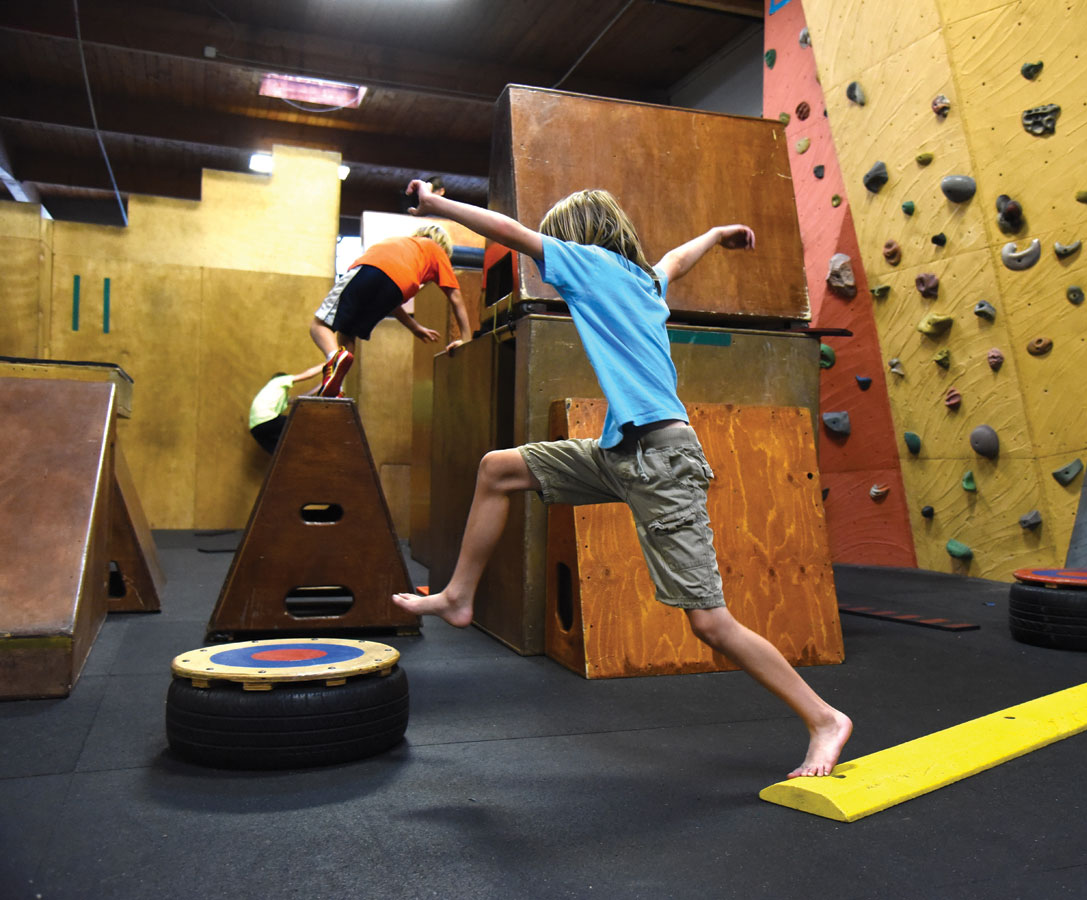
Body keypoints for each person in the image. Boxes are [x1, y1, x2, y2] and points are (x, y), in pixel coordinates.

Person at [391, 182, 852, 778]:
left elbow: (508, 230)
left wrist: (436, 207)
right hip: (621, 452)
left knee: (710, 622)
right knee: (498, 468)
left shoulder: (589, 265)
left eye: (557, 243)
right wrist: (715, 234)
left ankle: (823, 718)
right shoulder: (644, 281)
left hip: (661, 462)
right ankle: (458, 595)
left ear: (576, 238)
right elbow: (676, 261)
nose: (551, 257)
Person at [310, 223, 473, 397]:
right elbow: (455, 298)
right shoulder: (436, 254)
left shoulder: (402, 242)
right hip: (400, 287)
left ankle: (334, 359)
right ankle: (336, 387)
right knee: (348, 332)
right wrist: (466, 338)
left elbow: (384, 273)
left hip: (371, 268)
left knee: (319, 325)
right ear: (444, 246)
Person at [247, 362, 324, 453]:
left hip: (255, 429)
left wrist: (322, 385)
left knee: (281, 454)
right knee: (303, 424)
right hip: (267, 419)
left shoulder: (275, 393)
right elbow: (308, 374)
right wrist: (328, 363)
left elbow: (300, 398)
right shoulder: (279, 380)